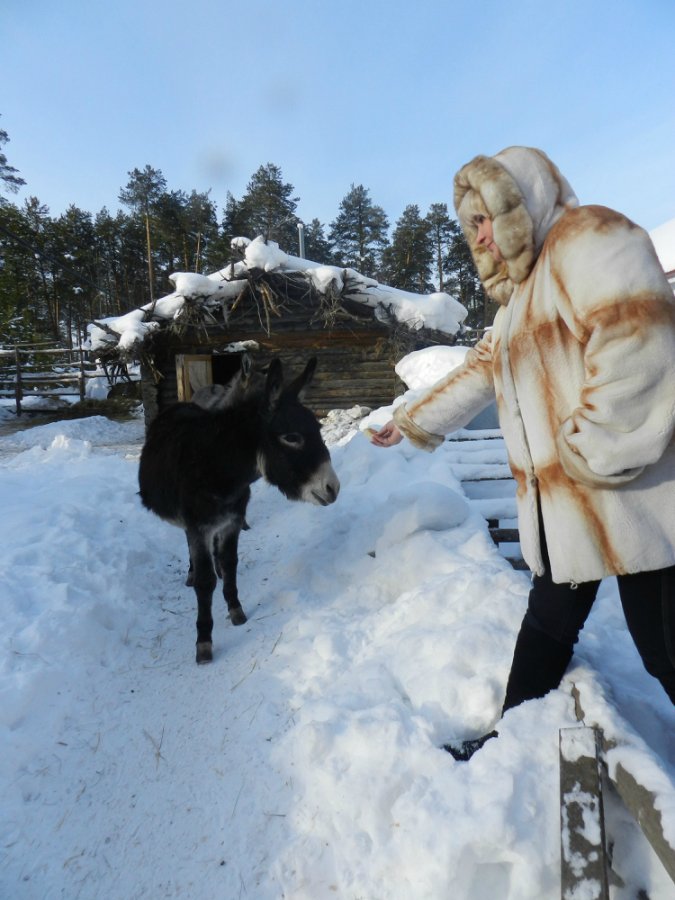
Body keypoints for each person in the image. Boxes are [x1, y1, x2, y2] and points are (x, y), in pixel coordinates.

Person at [372, 146, 675, 760]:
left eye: (485, 216)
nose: (479, 235)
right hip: (572, 508)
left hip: (638, 497)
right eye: (472, 226)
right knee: (547, 624)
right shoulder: (519, 298)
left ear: (520, 200)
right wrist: (409, 420)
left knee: (664, 648)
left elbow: (641, 342)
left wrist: (586, 450)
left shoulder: (589, 238)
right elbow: (482, 369)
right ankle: (509, 744)